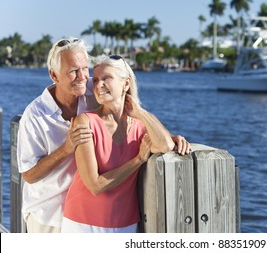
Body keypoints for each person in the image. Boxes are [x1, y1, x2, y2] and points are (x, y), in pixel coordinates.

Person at [17, 37, 191, 233]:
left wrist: (168, 137)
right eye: (74, 71)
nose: (84, 77)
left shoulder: (92, 89)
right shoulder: (35, 115)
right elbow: (29, 175)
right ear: (54, 75)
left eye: (85, 68)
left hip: (98, 211)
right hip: (47, 213)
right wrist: (66, 148)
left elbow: (126, 102)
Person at [61, 55, 173, 232]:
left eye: (106, 78)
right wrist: (138, 160)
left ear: (126, 84)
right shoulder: (85, 122)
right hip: (83, 223)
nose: (98, 85)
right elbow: (95, 185)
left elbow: (166, 145)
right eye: (96, 80)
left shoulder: (139, 125)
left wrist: (140, 112)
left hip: (125, 224)